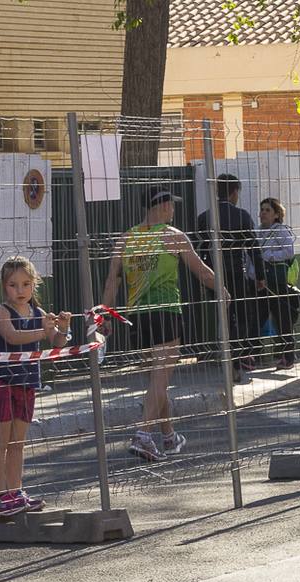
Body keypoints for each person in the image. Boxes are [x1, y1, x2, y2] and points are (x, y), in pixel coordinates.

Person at [101, 187, 220, 463]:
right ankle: (143, 434)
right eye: (172, 205)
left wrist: (105, 316)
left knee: (158, 379)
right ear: (165, 206)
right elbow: (202, 272)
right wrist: (223, 290)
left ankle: (169, 436)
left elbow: (111, 282)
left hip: (137, 316)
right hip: (166, 311)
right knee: (160, 377)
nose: (173, 210)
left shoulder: (126, 239)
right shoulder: (172, 236)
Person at [0, 257, 70, 516]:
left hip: (27, 384)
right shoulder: (0, 311)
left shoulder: (40, 314)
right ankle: (0, 496)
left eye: (25, 284)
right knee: (0, 442)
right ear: (4, 286)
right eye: (13, 285)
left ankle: (16, 491)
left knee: (18, 443)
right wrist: (44, 332)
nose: (20, 291)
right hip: (1, 383)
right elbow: (12, 336)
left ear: (34, 285)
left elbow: (57, 343)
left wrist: (62, 328)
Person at [194, 174, 266, 384]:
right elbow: (253, 247)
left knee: (223, 315)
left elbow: (200, 249)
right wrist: (260, 276)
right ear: (235, 192)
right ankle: (238, 357)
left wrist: (203, 276)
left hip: (214, 275)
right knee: (241, 315)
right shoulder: (241, 216)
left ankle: (229, 353)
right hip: (235, 272)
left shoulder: (205, 217)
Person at [258, 197, 300, 370]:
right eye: (262, 210)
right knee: (257, 317)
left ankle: (288, 356)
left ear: (276, 214)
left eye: (267, 210)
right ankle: (263, 353)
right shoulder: (258, 231)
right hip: (260, 281)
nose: (263, 213)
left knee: (282, 319)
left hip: (276, 282)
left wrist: (270, 256)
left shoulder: (280, 231)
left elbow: (289, 252)